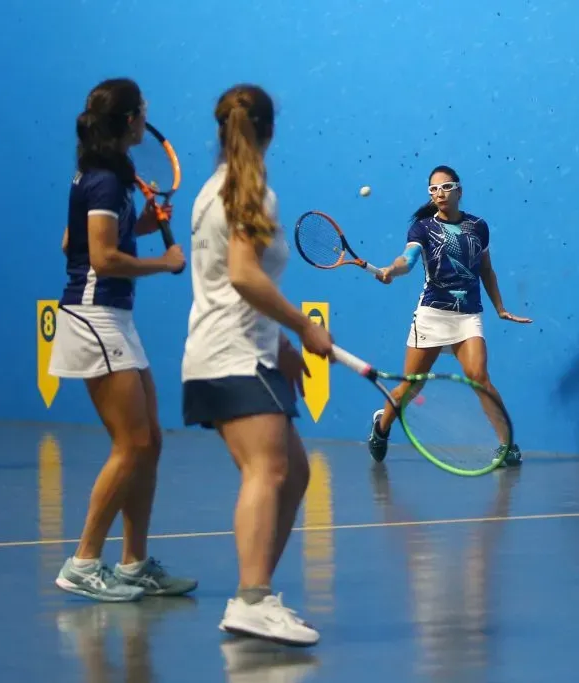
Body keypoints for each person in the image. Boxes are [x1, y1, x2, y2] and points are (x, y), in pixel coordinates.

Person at [181, 83, 333, 646]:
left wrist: (284, 348)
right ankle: (251, 598)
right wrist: (304, 326)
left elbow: (228, 279)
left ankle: (257, 592)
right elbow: (244, 275)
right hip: (233, 354)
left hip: (230, 352)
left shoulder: (208, 191)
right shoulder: (251, 188)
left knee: (293, 473)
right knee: (267, 472)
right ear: (270, 131)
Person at [49, 77, 194, 603]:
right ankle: (83, 562)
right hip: (93, 317)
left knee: (149, 441)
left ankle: (133, 566)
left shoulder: (106, 176)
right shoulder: (106, 181)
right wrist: (164, 261)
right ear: (130, 120)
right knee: (131, 442)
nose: (146, 119)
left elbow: (74, 241)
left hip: (113, 316)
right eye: (144, 112)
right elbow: (101, 257)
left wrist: (149, 228)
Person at [367, 165, 531, 466]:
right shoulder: (422, 228)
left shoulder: (478, 226)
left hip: (468, 314)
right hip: (432, 314)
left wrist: (500, 308)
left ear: (459, 190)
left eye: (445, 187)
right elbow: (408, 258)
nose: (438, 193)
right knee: (412, 385)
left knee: (479, 378)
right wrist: (393, 269)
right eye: (432, 189)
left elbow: (486, 269)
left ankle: (507, 445)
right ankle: (381, 427)